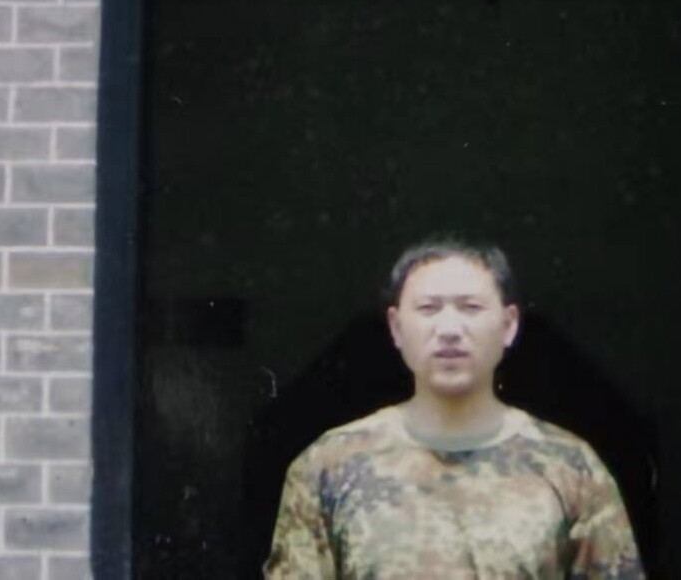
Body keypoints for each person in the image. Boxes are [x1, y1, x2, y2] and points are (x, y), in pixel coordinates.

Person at [265, 238, 645, 579]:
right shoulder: (330, 466)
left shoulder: (570, 467)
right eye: (429, 308)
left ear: (508, 325)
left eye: (470, 307)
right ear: (396, 327)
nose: (449, 328)